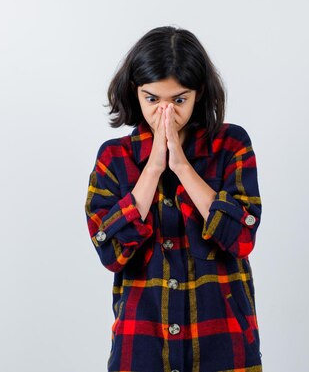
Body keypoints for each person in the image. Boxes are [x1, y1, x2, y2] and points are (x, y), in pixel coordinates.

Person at [84, 26, 263, 372]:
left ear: (198, 95)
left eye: (179, 100)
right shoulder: (114, 158)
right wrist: (153, 167)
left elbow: (241, 238)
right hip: (142, 345)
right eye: (152, 99)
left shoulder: (231, 145)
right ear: (135, 93)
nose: (165, 113)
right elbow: (110, 251)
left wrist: (181, 165)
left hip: (224, 343)